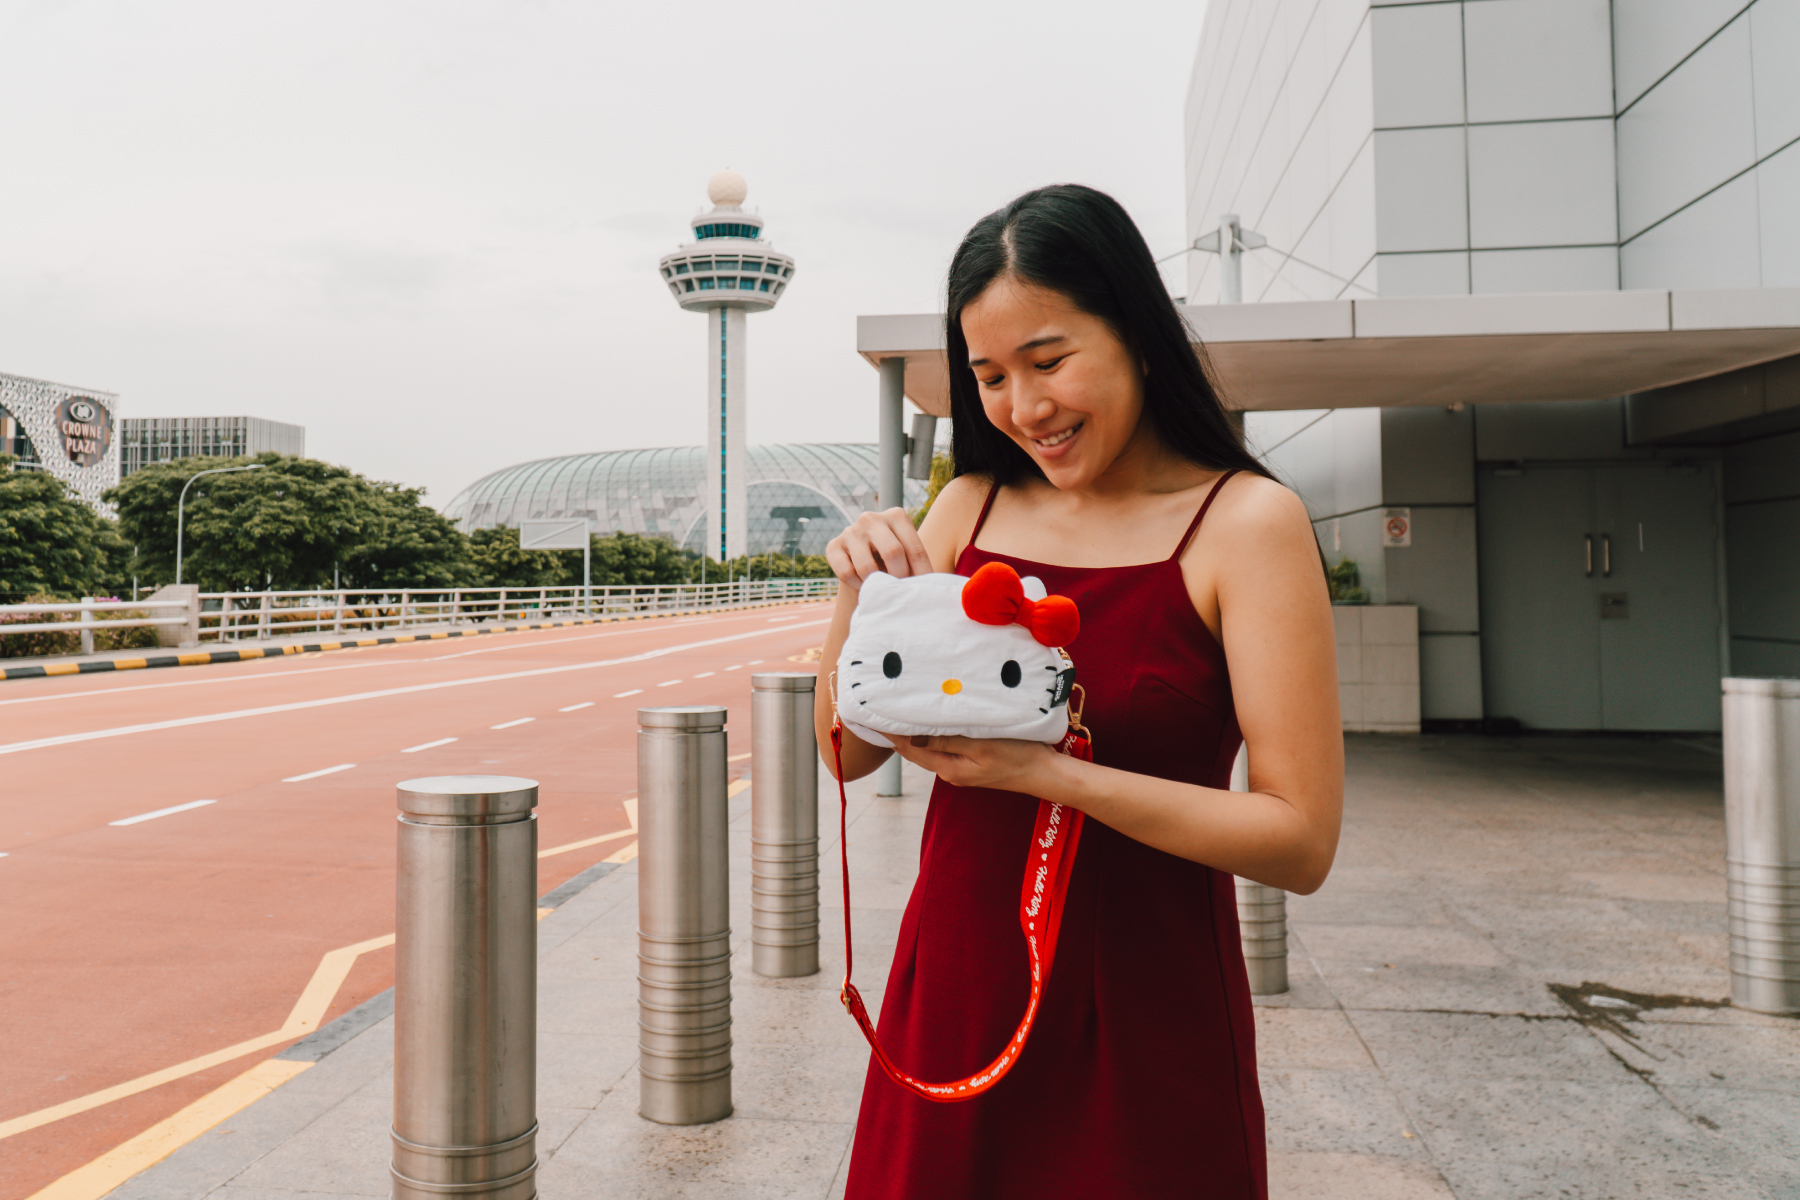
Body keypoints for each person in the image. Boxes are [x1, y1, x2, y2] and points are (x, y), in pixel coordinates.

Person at [815, 184, 1343, 1200]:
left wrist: (1052, 779)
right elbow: (845, 753)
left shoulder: (1247, 524)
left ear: (1138, 334)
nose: (1025, 408)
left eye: (1050, 361)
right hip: (958, 986)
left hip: (1151, 1005)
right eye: (992, 377)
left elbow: (1299, 839)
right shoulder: (968, 503)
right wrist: (858, 597)